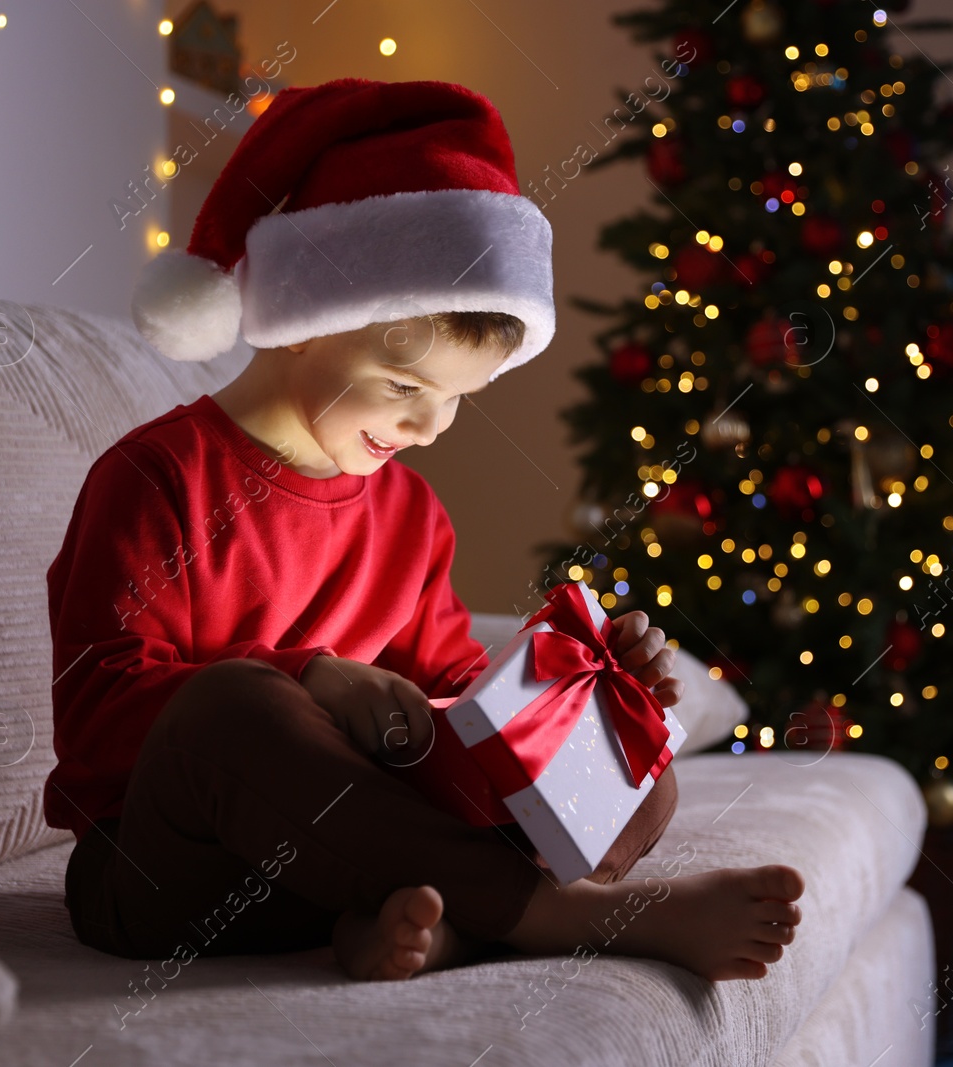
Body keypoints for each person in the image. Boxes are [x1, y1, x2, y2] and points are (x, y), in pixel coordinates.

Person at [44, 77, 803, 983]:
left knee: (637, 766)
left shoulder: (409, 514)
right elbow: (96, 720)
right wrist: (312, 681)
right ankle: (562, 916)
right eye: (405, 388)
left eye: (457, 400)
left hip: (343, 861)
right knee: (233, 705)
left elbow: (451, 700)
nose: (429, 427)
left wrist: (570, 697)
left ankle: (433, 923)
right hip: (170, 872)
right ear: (300, 324)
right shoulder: (156, 476)